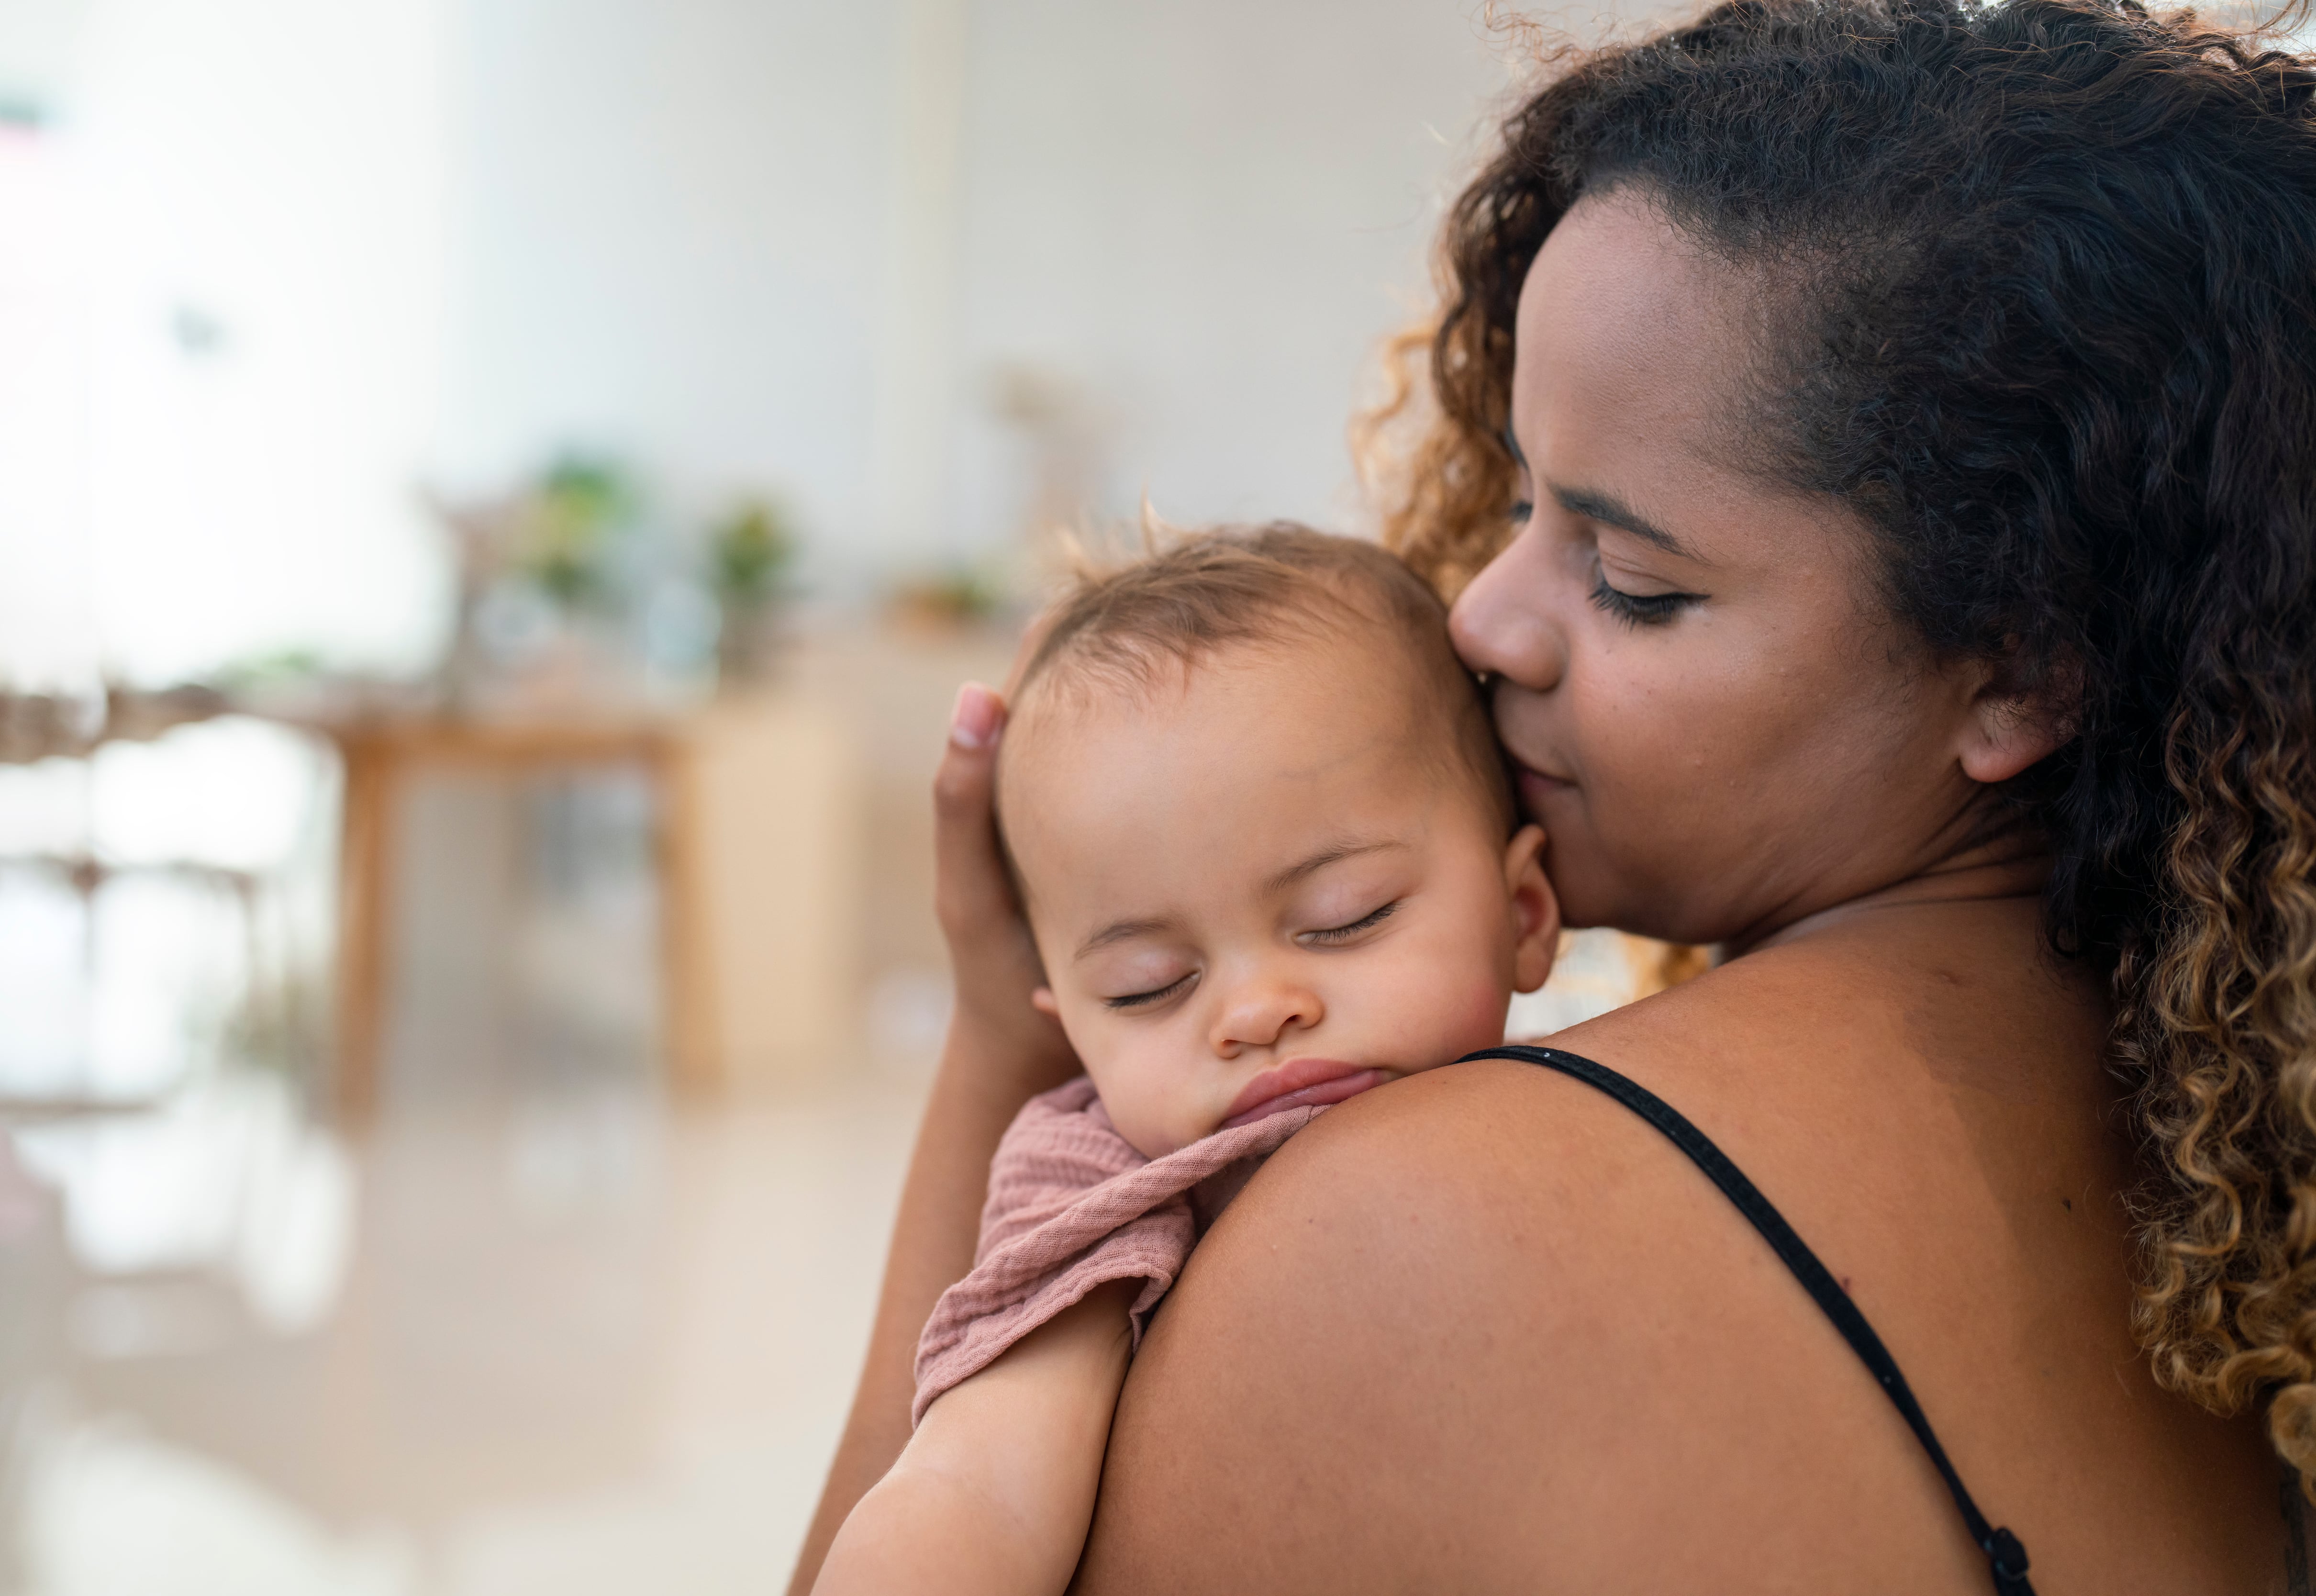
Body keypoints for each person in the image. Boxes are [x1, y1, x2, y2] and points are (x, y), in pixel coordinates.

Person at [790, 0, 2315, 1587]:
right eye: (1519, 496)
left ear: (2025, 668)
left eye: (1637, 581)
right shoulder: (2240, 1174)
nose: (1485, 615)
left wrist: (1001, 1061)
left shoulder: (1414, 1234)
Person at [813, 527, 1562, 1596]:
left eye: (1344, 918)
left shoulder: (1586, 1112)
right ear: (1068, 1027)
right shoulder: (1100, 1182)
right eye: (1148, 986)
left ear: (1523, 912)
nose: (1256, 1012)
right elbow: (976, 1486)